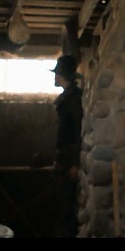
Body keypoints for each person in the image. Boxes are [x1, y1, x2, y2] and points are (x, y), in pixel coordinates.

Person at [51, 55, 83, 238]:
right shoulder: (66, 98)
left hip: (69, 160)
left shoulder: (74, 99)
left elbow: (78, 131)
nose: (55, 77)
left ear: (64, 75)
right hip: (63, 158)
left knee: (67, 209)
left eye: (57, 74)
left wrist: (75, 163)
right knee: (60, 207)